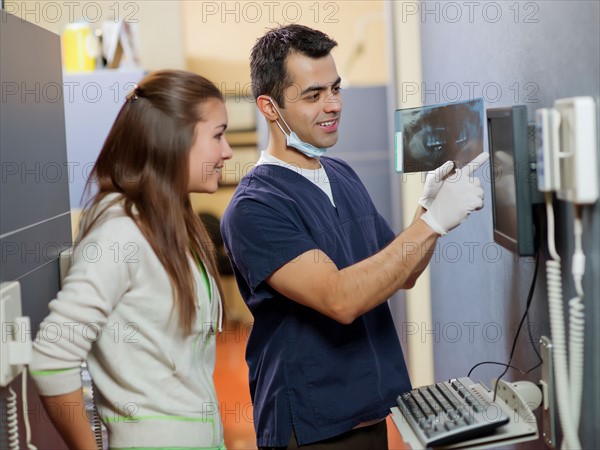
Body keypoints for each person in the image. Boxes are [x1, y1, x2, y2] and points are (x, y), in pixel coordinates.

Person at [220, 24, 488, 449]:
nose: (333, 105)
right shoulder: (255, 207)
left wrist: (425, 209)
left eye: (335, 89)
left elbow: (399, 274)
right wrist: (431, 223)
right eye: (313, 95)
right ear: (269, 107)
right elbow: (340, 299)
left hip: (369, 412)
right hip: (311, 424)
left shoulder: (340, 174)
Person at [29, 70, 233, 449]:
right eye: (218, 135)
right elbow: (51, 358)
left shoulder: (173, 224)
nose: (227, 151)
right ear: (174, 140)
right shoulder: (122, 232)